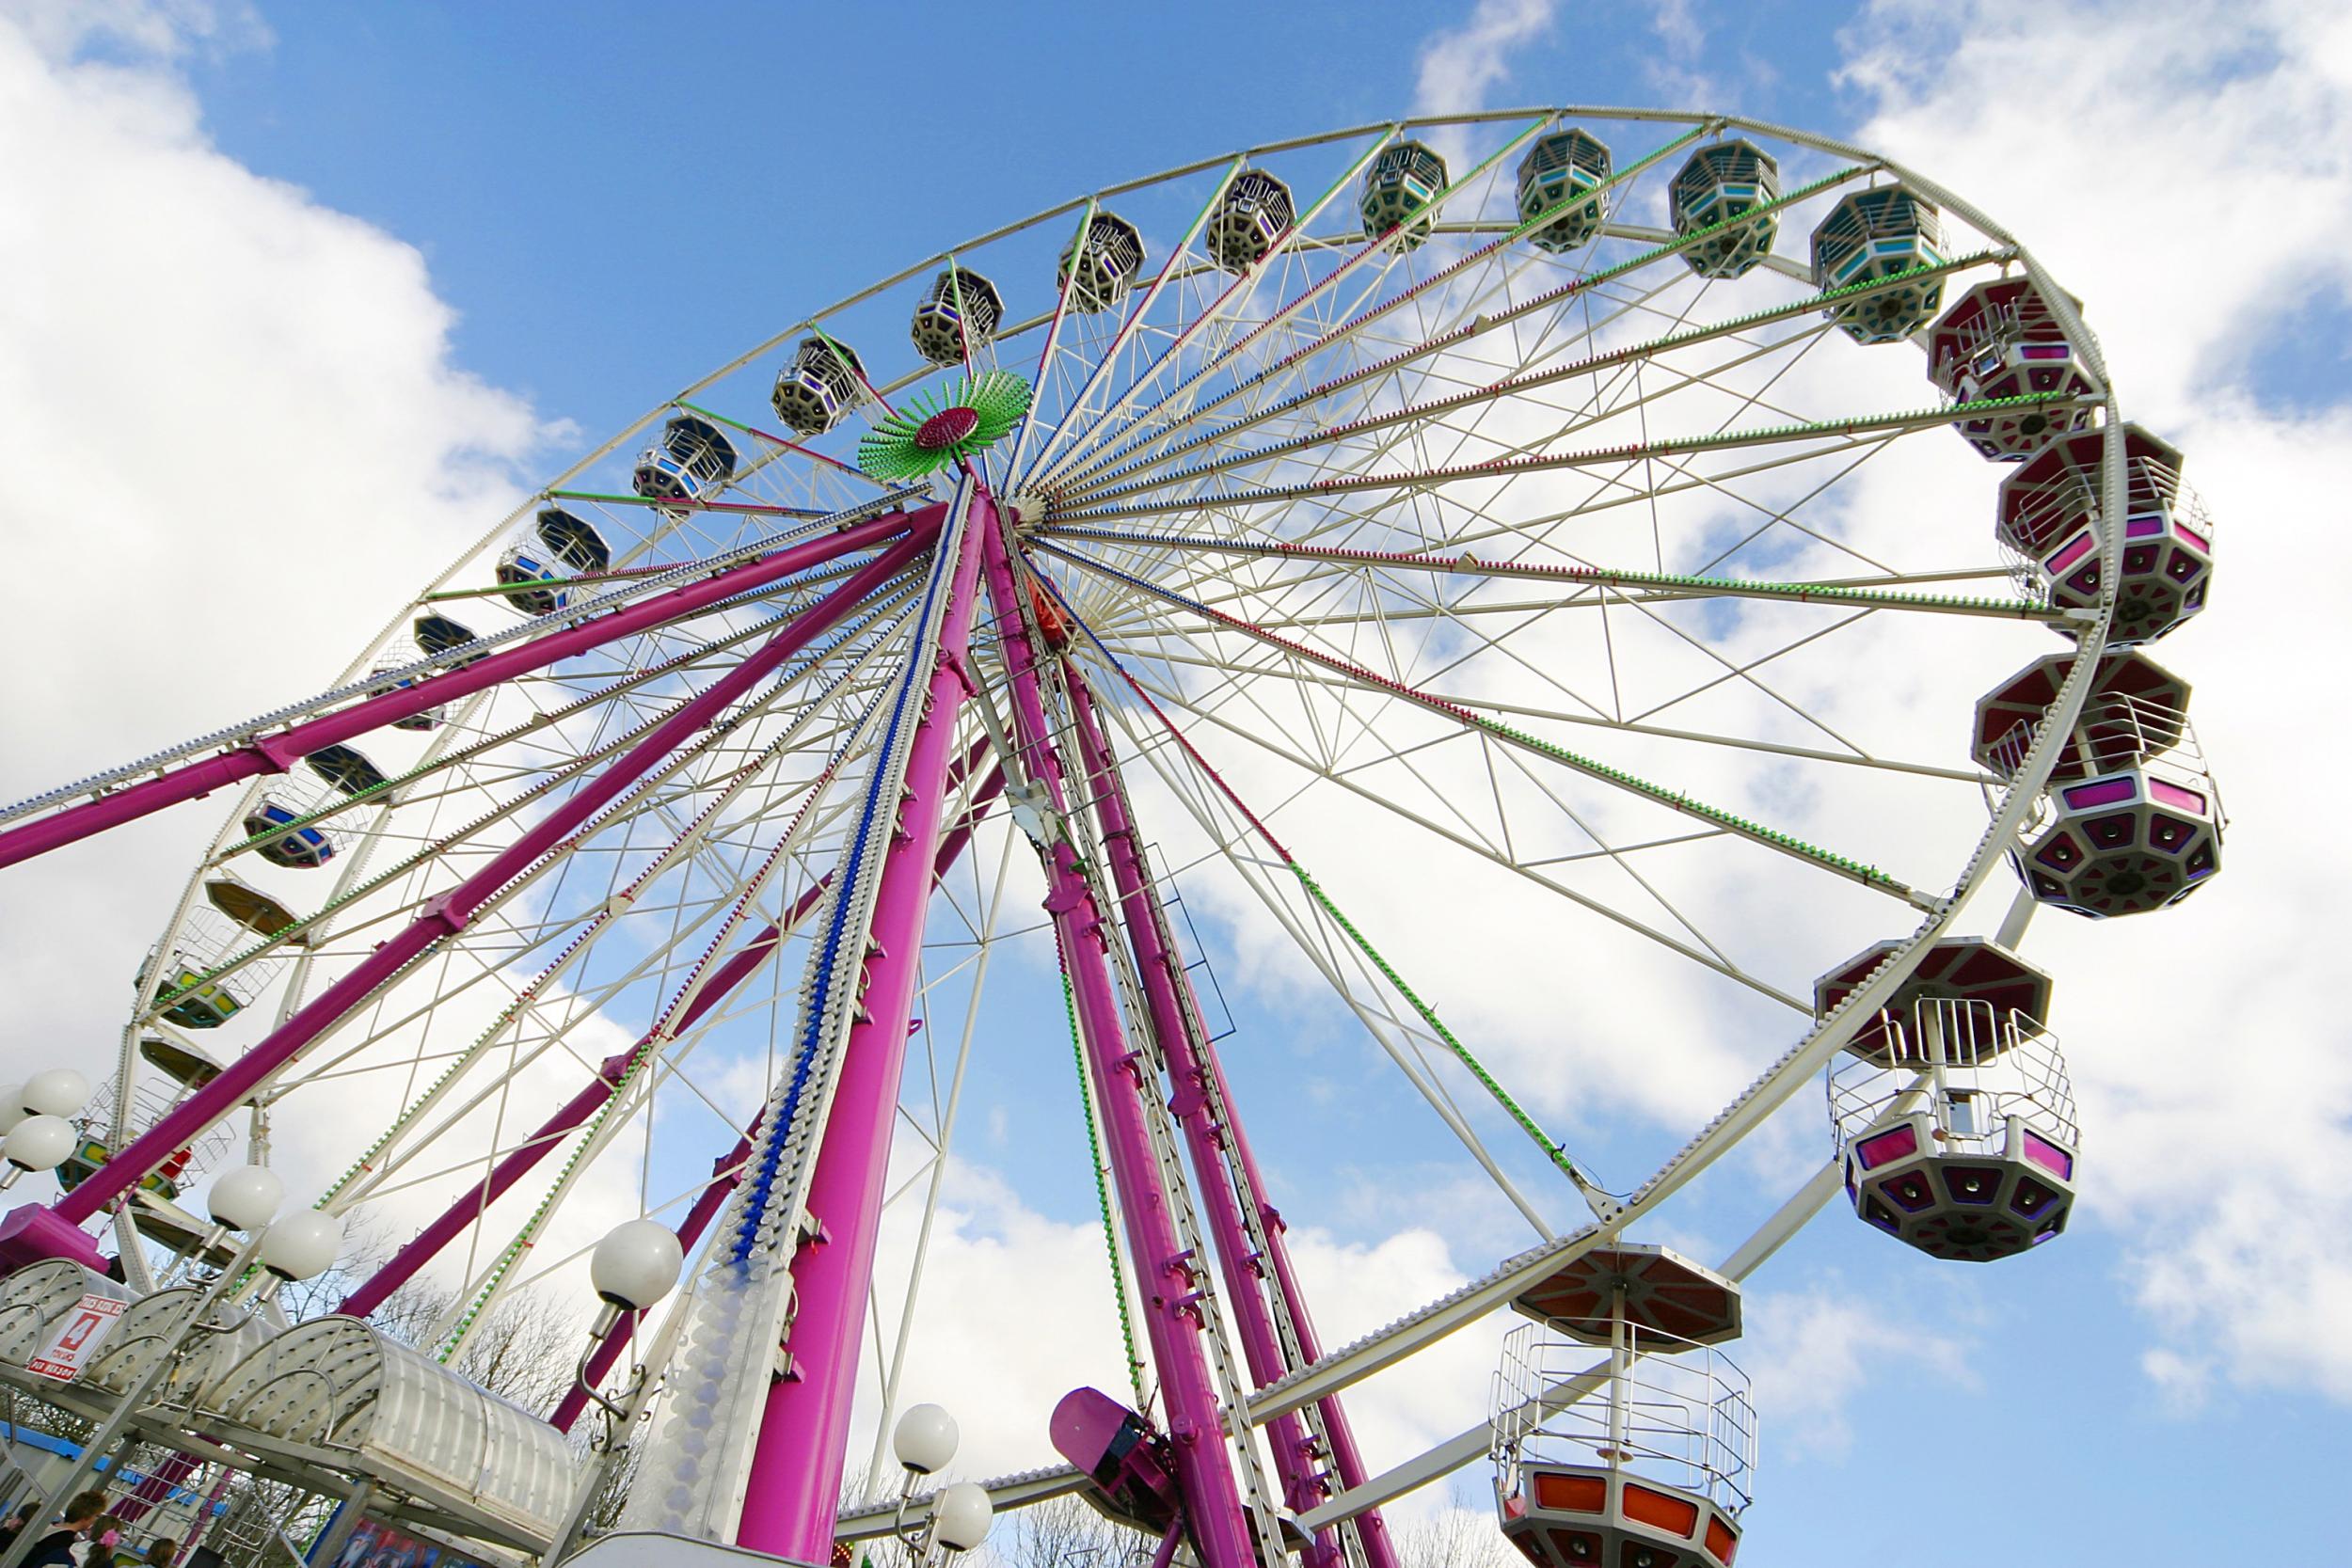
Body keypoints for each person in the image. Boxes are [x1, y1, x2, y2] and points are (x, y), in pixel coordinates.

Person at [21, 1491, 105, 1568]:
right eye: (96, 1516)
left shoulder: (50, 1527)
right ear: (86, 1515)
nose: (96, 1520)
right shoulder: (66, 1543)